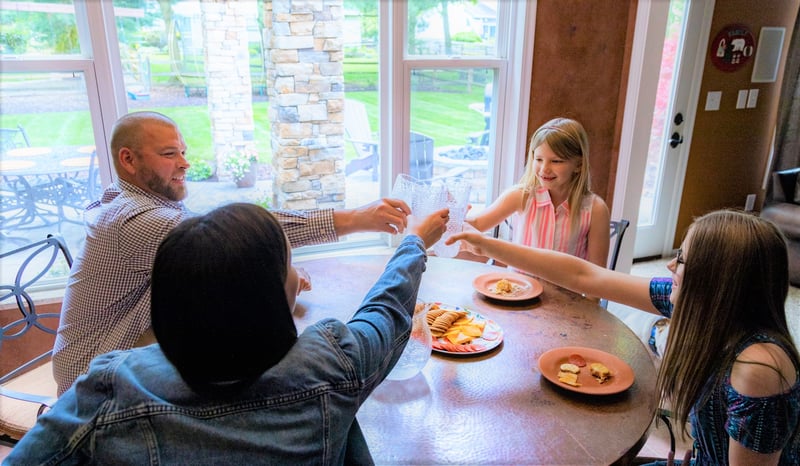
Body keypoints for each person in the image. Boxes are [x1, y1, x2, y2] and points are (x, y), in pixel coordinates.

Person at [7, 203, 449, 464]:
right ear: (271, 298)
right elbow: (386, 311)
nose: (298, 274)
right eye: (290, 264)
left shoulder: (113, 384)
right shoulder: (334, 361)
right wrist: (414, 243)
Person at [53, 111, 412, 395]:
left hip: (118, 353)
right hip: (94, 379)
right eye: (168, 154)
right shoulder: (135, 220)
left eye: (183, 151)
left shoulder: (125, 199)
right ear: (128, 160)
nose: (184, 163)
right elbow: (236, 233)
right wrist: (354, 219)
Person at [448, 209, 800, 464]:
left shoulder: (759, 369)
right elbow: (585, 275)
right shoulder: (700, 305)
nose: (671, 267)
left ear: (718, 281)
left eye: (683, 260)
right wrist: (490, 248)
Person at [465, 117, 610, 269]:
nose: (544, 169)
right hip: (519, 290)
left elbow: (597, 272)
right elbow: (476, 224)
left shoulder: (596, 210)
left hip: (564, 293)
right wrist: (453, 215)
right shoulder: (520, 196)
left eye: (556, 161)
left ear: (578, 165)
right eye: (538, 159)